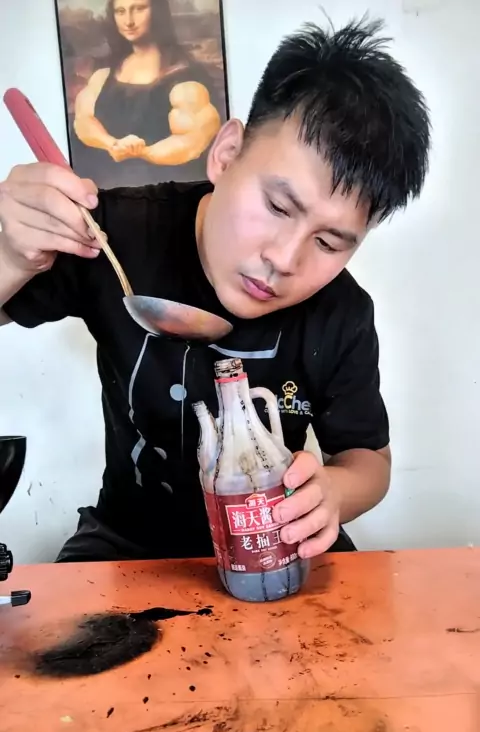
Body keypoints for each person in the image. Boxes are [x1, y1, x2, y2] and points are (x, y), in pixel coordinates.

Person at [0, 17, 430, 564]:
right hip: (131, 537)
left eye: (328, 242)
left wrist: (335, 493)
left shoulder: (342, 312)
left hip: (273, 537)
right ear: (226, 154)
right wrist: (10, 255)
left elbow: (368, 458)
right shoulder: (111, 237)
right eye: (277, 206)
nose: (284, 259)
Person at [71, 0, 223, 188]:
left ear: (157, 12)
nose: (129, 21)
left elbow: (192, 141)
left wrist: (142, 152)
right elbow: (83, 120)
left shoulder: (185, 80)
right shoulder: (103, 75)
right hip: (102, 191)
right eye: (120, 11)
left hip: (165, 192)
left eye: (139, 9)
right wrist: (112, 144)